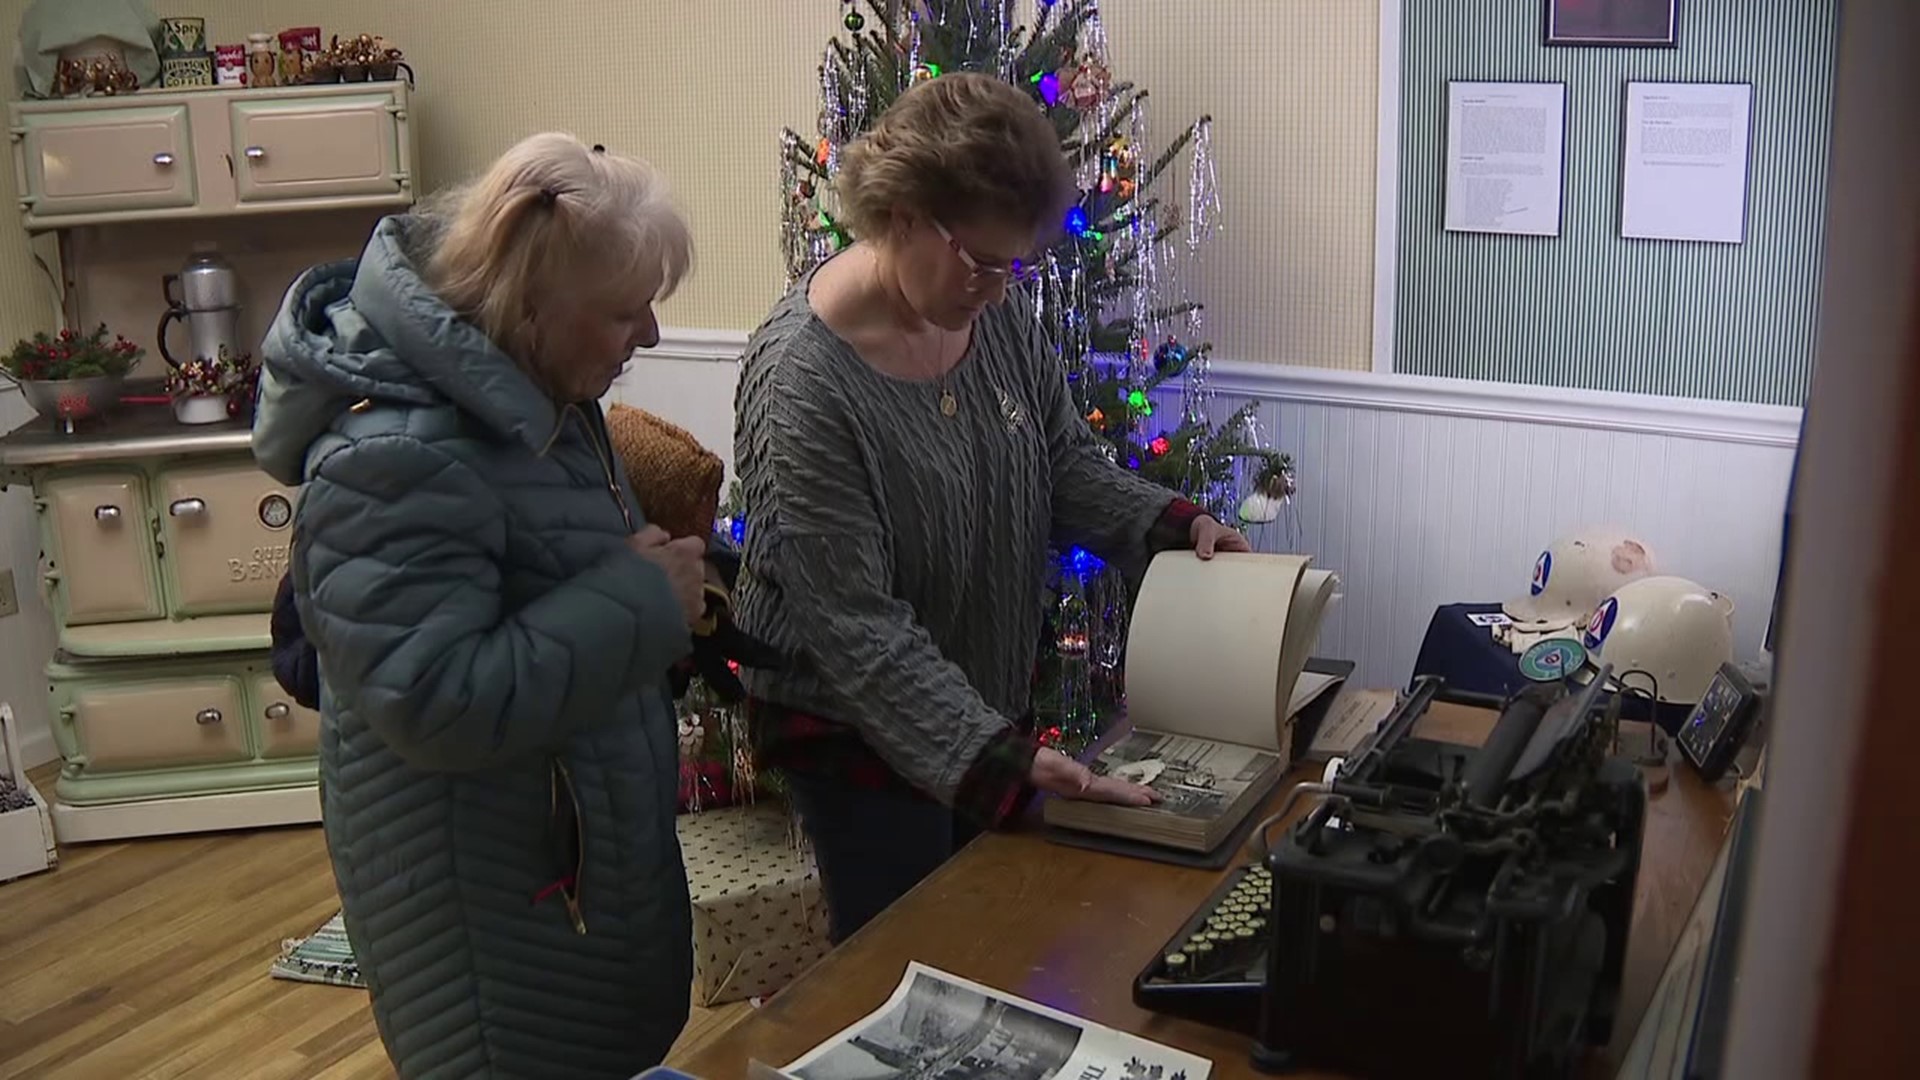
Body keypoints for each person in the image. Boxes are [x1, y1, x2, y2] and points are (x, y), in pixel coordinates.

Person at [731, 72, 1252, 944]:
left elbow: (1064, 467)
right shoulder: (803, 381)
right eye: (980, 260)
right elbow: (856, 627)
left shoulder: (993, 317)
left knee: (987, 932)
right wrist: (997, 761)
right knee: (904, 952)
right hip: (852, 730)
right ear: (900, 213)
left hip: (974, 698)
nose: (999, 287)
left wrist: (1174, 526)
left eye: (1017, 265)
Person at [251, 132, 725, 1080]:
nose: (654, 338)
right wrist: (641, 598)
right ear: (533, 307)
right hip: (492, 913)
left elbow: (551, 592)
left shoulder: (541, 397)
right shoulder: (387, 461)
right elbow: (436, 702)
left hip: (560, 876)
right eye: (627, 312)